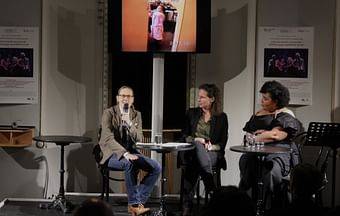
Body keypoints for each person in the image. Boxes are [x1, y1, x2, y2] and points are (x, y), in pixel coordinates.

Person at [99, 86, 161, 216]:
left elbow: (138, 137)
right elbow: (108, 138)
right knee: (129, 163)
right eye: (122, 96)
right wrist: (125, 154)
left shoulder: (136, 115)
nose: (125, 99)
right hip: (111, 154)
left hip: (131, 152)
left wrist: (130, 123)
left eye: (128, 96)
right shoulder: (109, 113)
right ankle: (134, 206)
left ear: (132, 100)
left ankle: (138, 202)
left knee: (156, 167)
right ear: (117, 98)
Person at [239, 80, 301, 208]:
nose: (262, 101)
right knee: (245, 161)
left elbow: (275, 135)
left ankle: (273, 205)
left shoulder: (285, 114)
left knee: (272, 171)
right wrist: (261, 136)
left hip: (279, 152)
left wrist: (257, 137)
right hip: (257, 151)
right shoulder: (258, 113)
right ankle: (251, 204)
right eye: (262, 97)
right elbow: (247, 136)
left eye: (266, 99)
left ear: (276, 101)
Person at [180, 83, 228, 216]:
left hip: (211, 153)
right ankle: (211, 188)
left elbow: (222, 143)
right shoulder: (191, 113)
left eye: (202, 97)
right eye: (199, 97)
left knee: (194, 163)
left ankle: (187, 206)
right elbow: (183, 135)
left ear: (212, 99)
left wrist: (211, 146)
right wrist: (196, 140)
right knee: (196, 149)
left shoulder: (222, 117)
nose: (198, 100)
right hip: (192, 150)